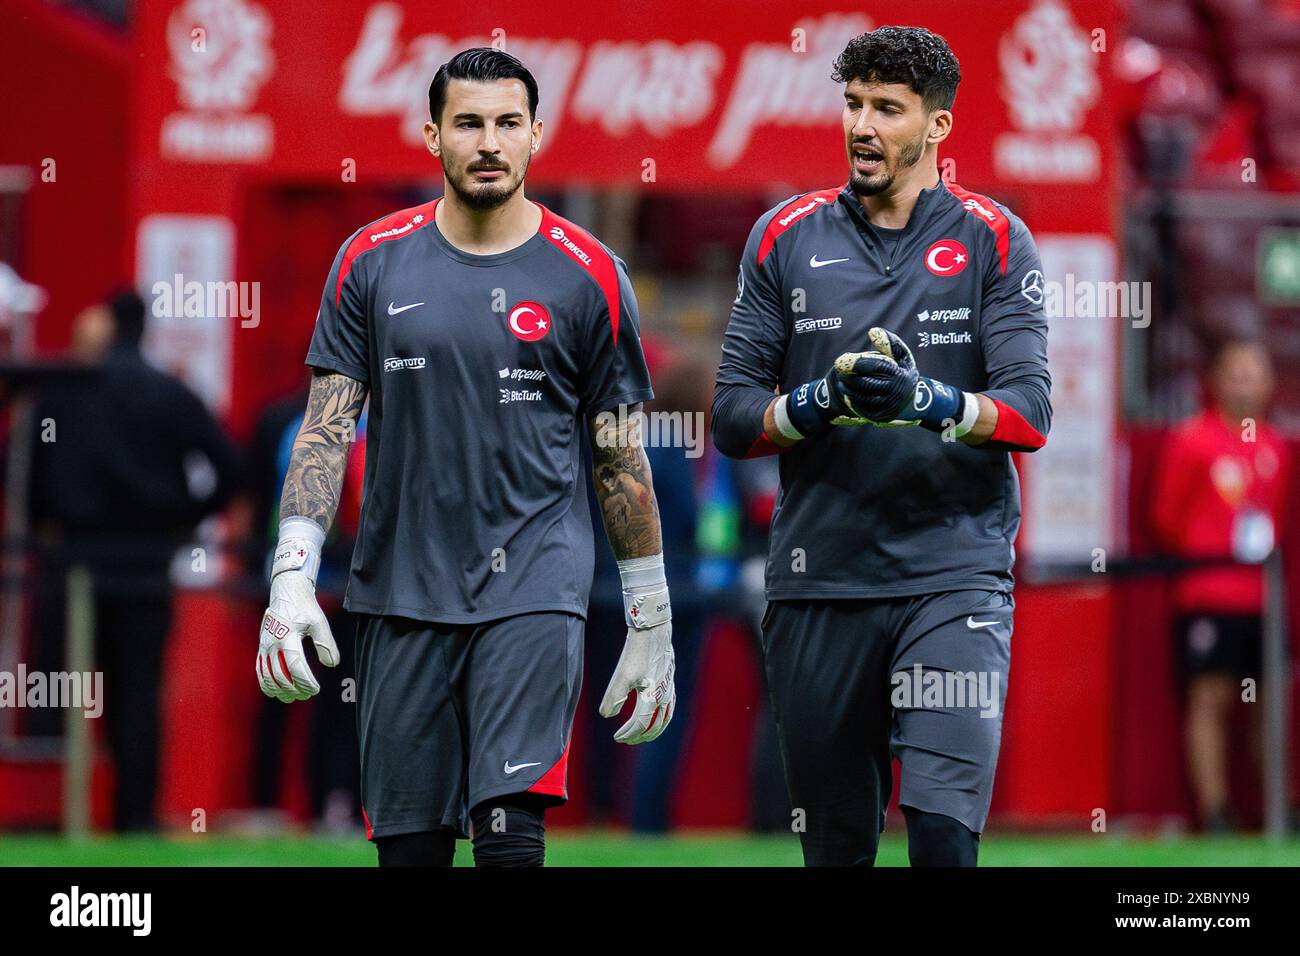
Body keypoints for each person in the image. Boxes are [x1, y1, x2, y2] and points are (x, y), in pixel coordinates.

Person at [254, 48, 677, 867]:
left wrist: (649, 613)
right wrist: (292, 575)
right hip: (399, 589)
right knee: (410, 851)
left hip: (535, 588)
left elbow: (619, 457)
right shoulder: (368, 260)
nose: (489, 141)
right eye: (469, 124)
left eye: (507, 124)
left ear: (536, 136)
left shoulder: (591, 275)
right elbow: (326, 428)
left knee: (510, 837)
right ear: (432, 136)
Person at [711, 26, 1052, 866]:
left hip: (952, 578)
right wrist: (819, 401)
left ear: (937, 127)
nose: (863, 126)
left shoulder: (993, 238)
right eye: (854, 104)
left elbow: (1030, 413)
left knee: (941, 834)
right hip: (819, 581)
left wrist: (922, 401)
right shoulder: (782, 235)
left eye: (887, 110)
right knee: (836, 847)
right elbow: (730, 416)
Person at [28, 289, 241, 830]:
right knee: (137, 695)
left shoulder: (60, 396)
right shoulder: (170, 393)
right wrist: (183, 519)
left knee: (58, 692)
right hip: (145, 566)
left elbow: (25, 479)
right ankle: (135, 817)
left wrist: (45, 527)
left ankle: (51, 815)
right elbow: (229, 470)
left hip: (69, 565)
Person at [1152, 340, 1289, 832]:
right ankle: (1215, 812)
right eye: (1237, 374)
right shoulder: (1191, 440)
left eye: (1256, 374)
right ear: (1217, 380)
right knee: (1210, 700)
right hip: (1207, 595)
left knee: (1267, 706)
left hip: (1263, 600)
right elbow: (1165, 518)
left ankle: (1277, 809)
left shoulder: (1274, 446)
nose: (1246, 384)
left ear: (1270, 384)